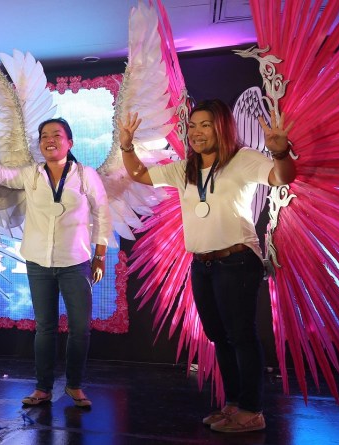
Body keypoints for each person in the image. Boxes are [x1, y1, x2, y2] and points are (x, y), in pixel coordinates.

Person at [118, 99, 295, 432]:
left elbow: (280, 177)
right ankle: (232, 404)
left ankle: (252, 410)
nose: (196, 133)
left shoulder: (242, 159)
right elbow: (139, 174)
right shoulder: (185, 167)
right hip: (202, 265)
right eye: (193, 126)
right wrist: (127, 146)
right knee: (219, 338)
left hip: (237, 261)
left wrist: (281, 152)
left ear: (222, 127)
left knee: (241, 337)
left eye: (205, 125)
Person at [0, 112, 110, 408]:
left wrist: (100, 256)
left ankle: (74, 385)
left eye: (56, 135)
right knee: (45, 327)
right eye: (44, 136)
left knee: (80, 328)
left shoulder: (86, 175)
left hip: (75, 262)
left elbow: (102, 213)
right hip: (38, 262)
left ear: (69, 142)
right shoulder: (31, 174)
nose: (50, 140)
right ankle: (43, 388)